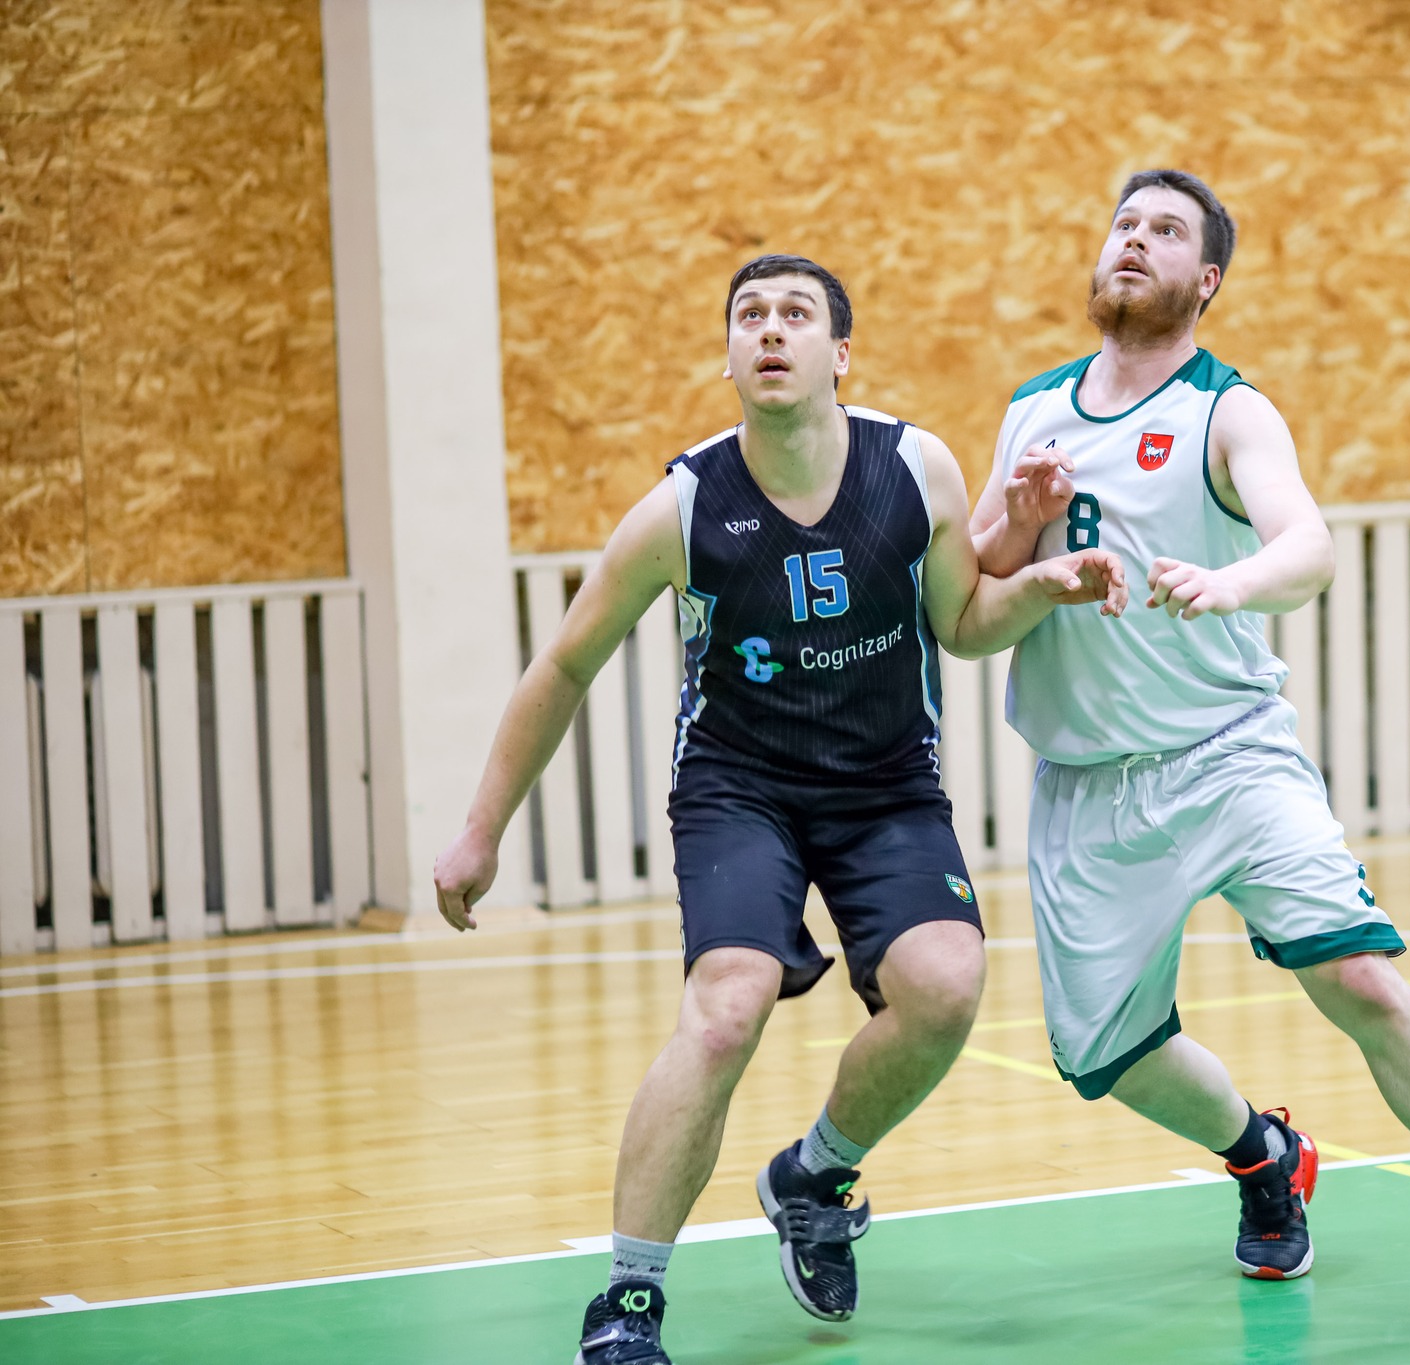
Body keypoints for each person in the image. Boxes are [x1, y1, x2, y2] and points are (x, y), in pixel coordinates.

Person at [432, 254, 1127, 1365]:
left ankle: (814, 1174)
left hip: (885, 783)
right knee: (727, 1007)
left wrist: (1039, 585)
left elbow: (960, 623)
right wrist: (481, 829)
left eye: (796, 314)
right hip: (738, 786)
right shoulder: (684, 507)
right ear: (727, 357)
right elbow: (564, 664)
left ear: (838, 355)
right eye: (748, 315)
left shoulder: (917, 470)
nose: (769, 329)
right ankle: (628, 1301)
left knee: (945, 987)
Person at [968, 170, 1410, 1346]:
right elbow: (974, 586)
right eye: (1123, 223)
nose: (1134, 241)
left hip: (1229, 756)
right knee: (1106, 1058)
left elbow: (1305, 545)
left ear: (1205, 279)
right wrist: (1019, 527)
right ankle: (1261, 1155)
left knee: (1357, 977)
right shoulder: (1032, 412)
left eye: (1165, 231)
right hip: (1087, 788)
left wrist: (1232, 584)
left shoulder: (1228, 412)